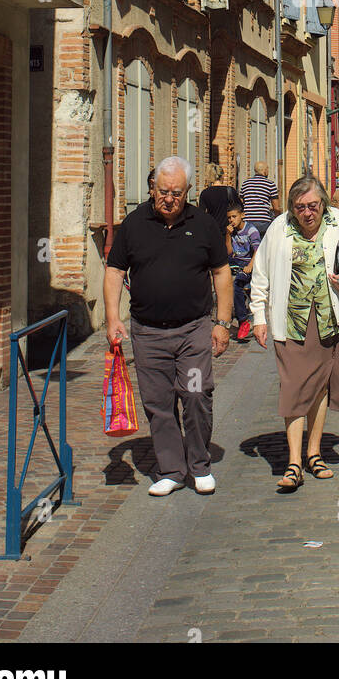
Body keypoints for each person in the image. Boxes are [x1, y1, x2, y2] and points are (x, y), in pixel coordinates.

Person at [104, 156, 232, 497]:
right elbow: (115, 271)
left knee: (195, 394)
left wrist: (222, 322)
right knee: (158, 402)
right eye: (163, 191)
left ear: (188, 191)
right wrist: (113, 318)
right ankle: (172, 470)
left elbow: (221, 272)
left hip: (193, 331)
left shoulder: (203, 224)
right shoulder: (134, 224)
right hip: (147, 333)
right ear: (152, 188)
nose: (169, 199)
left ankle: (200, 465)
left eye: (176, 193)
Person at [250, 175, 339, 492]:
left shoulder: (338, 222)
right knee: (293, 387)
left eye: (313, 206)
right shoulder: (279, 228)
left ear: (323, 204)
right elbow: (260, 274)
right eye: (300, 207)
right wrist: (258, 317)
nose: (307, 213)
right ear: (292, 207)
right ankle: (293, 463)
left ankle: (314, 454)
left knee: (319, 386)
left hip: (331, 318)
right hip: (291, 322)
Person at [225, 197, 261, 342]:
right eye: (229, 218)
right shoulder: (231, 231)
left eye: (234, 217)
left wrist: (250, 266)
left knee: (237, 285)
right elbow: (229, 253)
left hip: (249, 264)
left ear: (242, 215)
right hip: (236, 262)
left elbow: (258, 251)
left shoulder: (251, 230)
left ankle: (243, 321)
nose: (231, 220)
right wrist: (227, 235)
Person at [239, 162, 281, 240]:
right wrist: (278, 221)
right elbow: (276, 208)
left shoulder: (245, 184)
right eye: (267, 169)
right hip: (263, 222)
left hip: (247, 221)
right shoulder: (270, 184)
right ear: (265, 171)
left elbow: (240, 204)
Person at [199, 163, 239, 238]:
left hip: (212, 231)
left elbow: (201, 214)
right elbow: (240, 209)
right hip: (229, 231)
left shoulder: (205, 193)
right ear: (222, 176)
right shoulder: (231, 191)